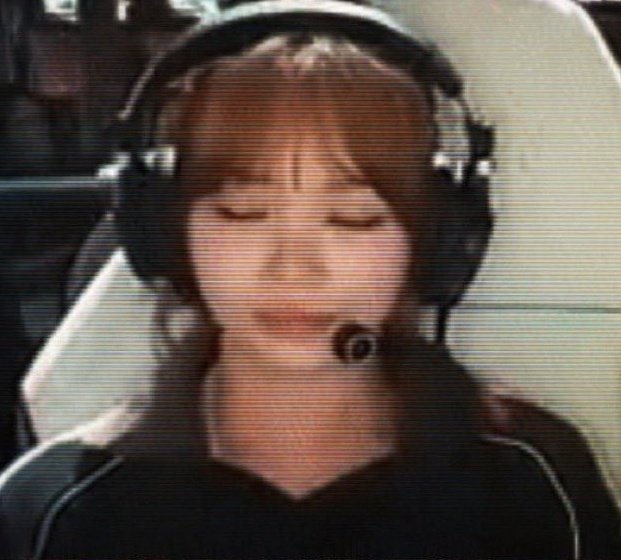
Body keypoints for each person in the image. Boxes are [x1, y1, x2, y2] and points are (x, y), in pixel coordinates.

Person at [1, 1, 620, 558]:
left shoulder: (535, 490)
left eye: (353, 220)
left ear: (431, 240)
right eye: (243, 213)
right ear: (166, 230)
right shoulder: (51, 512)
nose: (294, 267)